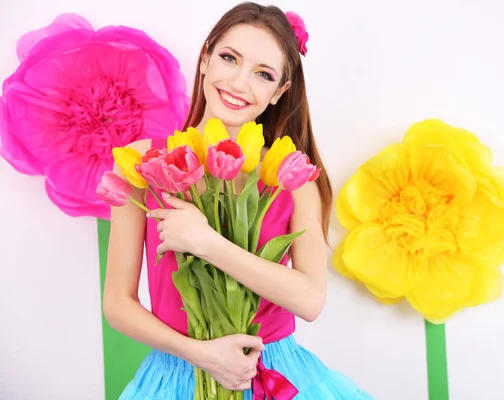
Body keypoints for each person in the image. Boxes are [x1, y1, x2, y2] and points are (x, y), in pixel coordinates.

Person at [103, 2, 375, 399]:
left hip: (272, 373)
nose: (239, 83)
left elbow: (311, 300)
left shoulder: (291, 175)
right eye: (230, 58)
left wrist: (205, 242)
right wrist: (200, 354)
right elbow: (117, 303)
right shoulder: (142, 163)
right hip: (178, 374)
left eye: (263, 74)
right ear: (205, 58)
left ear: (280, 91)